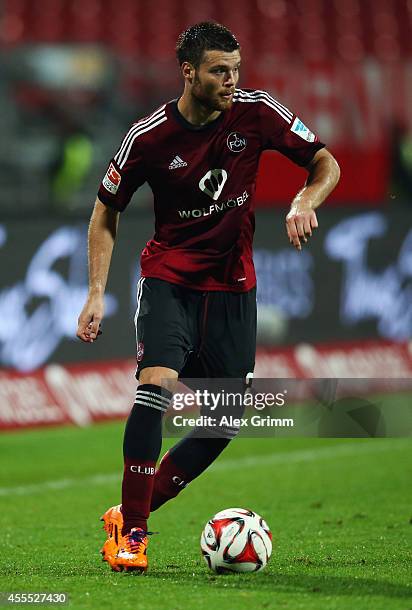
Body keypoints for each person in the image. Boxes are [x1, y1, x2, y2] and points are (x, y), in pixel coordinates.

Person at [77, 21, 340, 573]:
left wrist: (303, 200)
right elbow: (107, 211)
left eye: (236, 70)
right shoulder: (147, 137)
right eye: (220, 71)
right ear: (189, 72)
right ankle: (135, 537)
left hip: (233, 287)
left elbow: (325, 162)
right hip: (171, 278)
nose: (232, 81)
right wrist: (96, 292)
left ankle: (129, 511)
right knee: (157, 389)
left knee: (225, 419)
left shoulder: (257, 111)